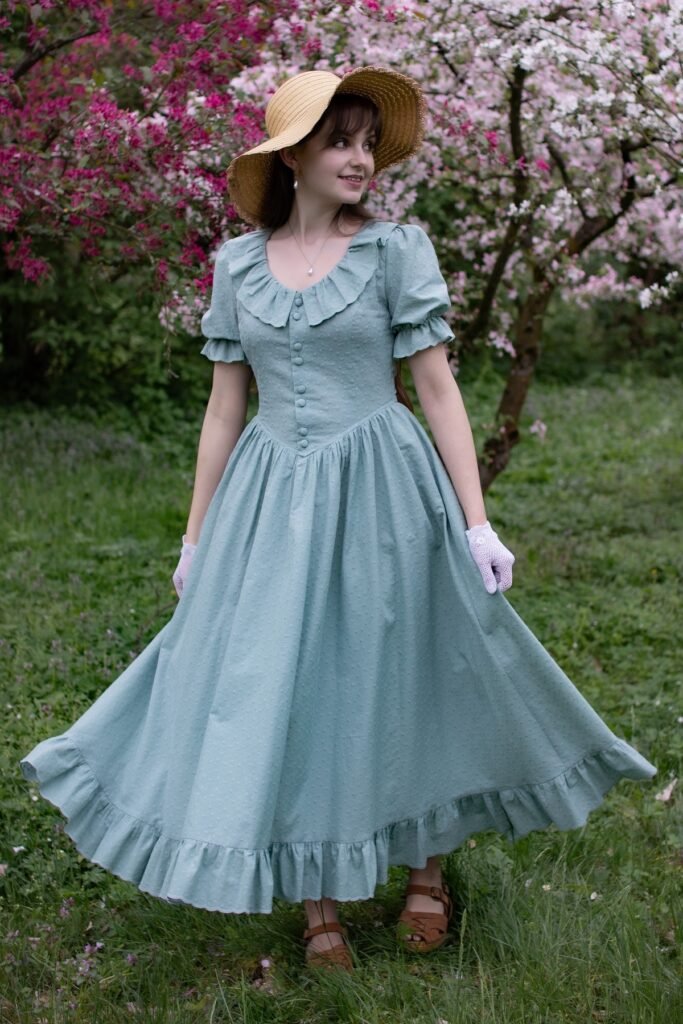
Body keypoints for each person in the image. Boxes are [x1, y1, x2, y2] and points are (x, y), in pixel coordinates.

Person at [21, 66, 657, 975]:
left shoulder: (396, 252)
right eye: (340, 141)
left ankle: (428, 874)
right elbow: (221, 411)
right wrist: (195, 538)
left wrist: (477, 522)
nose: (360, 159)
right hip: (270, 502)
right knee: (288, 678)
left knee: (408, 670)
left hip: (386, 491)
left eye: (367, 142)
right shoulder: (238, 265)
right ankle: (318, 895)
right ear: (293, 158)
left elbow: (435, 390)